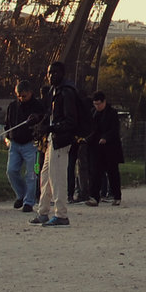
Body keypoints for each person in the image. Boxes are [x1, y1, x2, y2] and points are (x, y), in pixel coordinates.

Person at [31, 61, 89, 228]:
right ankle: (43, 211)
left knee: (56, 178)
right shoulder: (57, 91)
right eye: (49, 73)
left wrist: (49, 127)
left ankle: (61, 214)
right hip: (54, 138)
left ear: (62, 74)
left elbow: (70, 121)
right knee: (45, 176)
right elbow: (51, 115)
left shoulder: (66, 93)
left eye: (54, 73)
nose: (51, 76)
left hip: (61, 139)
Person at [4, 79, 43, 212]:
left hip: (31, 144)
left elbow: (43, 119)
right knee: (11, 170)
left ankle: (29, 202)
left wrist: (37, 119)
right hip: (15, 143)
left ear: (30, 93)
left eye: (24, 95)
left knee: (31, 174)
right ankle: (21, 194)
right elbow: (7, 123)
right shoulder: (12, 106)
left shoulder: (38, 106)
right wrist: (8, 136)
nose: (21, 98)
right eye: (18, 95)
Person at [85, 91, 123, 206]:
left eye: (99, 104)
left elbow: (115, 129)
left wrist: (106, 137)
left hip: (110, 148)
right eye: (95, 104)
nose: (97, 106)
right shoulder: (92, 113)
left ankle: (117, 196)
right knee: (95, 172)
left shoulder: (112, 113)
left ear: (104, 102)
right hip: (96, 148)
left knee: (112, 173)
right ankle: (94, 197)